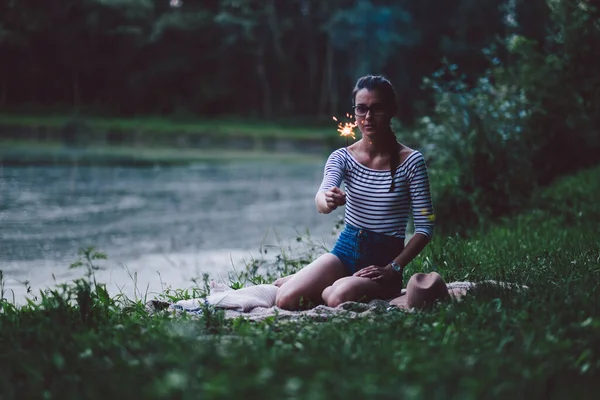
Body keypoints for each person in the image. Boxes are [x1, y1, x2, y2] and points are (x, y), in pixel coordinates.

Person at [275, 75, 435, 311]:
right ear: (355, 112)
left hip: (382, 264)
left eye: (377, 108)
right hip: (345, 251)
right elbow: (321, 198)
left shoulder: (412, 162)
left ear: (391, 111)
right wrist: (328, 199)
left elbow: (425, 227)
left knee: (337, 298)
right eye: (362, 109)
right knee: (285, 300)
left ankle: (327, 283)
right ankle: (316, 280)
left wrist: (393, 268)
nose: (368, 117)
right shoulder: (342, 157)